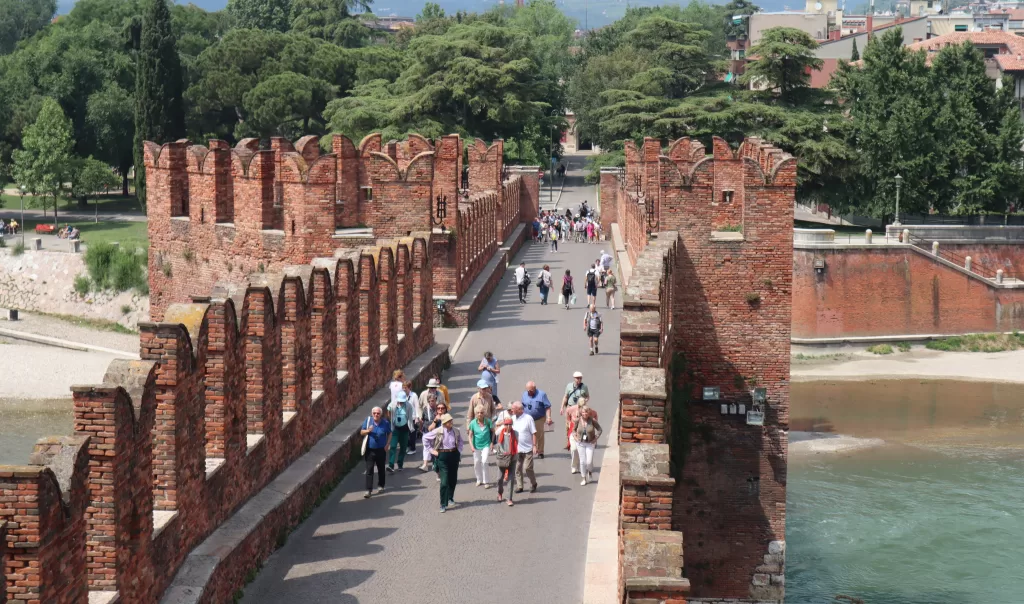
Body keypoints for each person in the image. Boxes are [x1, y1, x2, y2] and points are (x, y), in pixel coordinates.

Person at [424, 413, 463, 512]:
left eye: (451, 420)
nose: (451, 422)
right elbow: (425, 438)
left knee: (453, 479)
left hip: (454, 455)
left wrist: (459, 451)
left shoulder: (456, 430)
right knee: (444, 481)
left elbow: (460, 441)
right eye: (449, 421)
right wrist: (432, 451)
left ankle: (450, 498)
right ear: (444, 423)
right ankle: (443, 503)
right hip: (442, 456)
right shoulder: (438, 431)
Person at [359, 407, 391, 498]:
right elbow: (361, 432)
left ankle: (381, 485)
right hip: (370, 450)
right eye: (374, 413)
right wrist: (368, 431)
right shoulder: (368, 421)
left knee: (381, 469)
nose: (376, 415)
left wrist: (387, 444)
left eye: (377, 413)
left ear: (380, 414)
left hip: (381, 449)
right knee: (369, 470)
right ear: (372, 414)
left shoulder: (385, 423)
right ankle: (368, 490)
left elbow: (389, 433)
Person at [510, 402, 537, 493]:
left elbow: (534, 433)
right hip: (517, 449)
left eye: (513, 408)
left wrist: (534, 445)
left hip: (528, 448)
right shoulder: (512, 418)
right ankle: (520, 486)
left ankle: (533, 483)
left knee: (527, 468)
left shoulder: (528, 418)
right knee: (517, 468)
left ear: (520, 410)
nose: (511, 410)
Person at [520, 381, 553, 459]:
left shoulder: (542, 394)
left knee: (539, 435)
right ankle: (530, 450)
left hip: (539, 418)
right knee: (527, 435)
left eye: (531, 391)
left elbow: (547, 407)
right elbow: (523, 406)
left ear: (535, 388)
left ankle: (540, 451)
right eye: (528, 390)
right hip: (527, 418)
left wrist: (548, 417)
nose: (529, 392)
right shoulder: (524, 395)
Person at [386, 391, 416, 472]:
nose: (401, 402)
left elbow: (411, 416)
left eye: (402, 401)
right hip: (395, 429)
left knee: (403, 448)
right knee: (393, 446)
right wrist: (390, 419)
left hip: (405, 429)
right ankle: (391, 465)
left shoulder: (408, 405)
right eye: (400, 400)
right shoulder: (393, 404)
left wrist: (411, 426)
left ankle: (400, 464)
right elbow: (388, 410)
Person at [573, 406, 603, 485]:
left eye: (586, 412)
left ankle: (590, 472)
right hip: (580, 443)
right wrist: (575, 437)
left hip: (590, 443)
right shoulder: (578, 420)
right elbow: (573, 430)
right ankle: (584, 478)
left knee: (589, 461)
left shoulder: (592, 421)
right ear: (581, 413)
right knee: (582, 461)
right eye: (583, 412)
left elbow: (600, 430)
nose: (584, 414)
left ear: (589, 413)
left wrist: (595, 439)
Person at [567, 400, 599, 474]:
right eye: (580, 406)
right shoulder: (573, 409)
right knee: (574, 449)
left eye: (583, 406)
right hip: (575, 433)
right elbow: (567, 412)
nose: (581, 408)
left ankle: (588, 466)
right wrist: (568, 422)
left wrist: (595, 436)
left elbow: (595, 416)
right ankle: (574, 466)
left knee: (586, 455)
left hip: (586, 435)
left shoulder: (589, 411)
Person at [560, 371, 591, 449]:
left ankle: (580, 439)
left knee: (579, 424)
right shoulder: (569, 386)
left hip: (580, 408)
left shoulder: (584, 387)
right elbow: (566, 396)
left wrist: (584, 401)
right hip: (570, 407)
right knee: (568, 425)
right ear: (574, 378)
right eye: (577, 378)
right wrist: (562, 407)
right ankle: (569, 442)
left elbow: (588, 396)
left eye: (580, 378)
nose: (579, 380)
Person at [468, 405, 494, 487]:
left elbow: (493, 432)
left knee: (484, 461)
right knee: (476, 463)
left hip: (486, 444)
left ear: (484, 413)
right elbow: (470, 436)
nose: (480, 414)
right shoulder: (472, 423)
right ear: (475, 414)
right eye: (478, 413)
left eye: (481, 413)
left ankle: (486, 481)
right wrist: (471, 446)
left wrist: (492, 442)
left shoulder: (488, 421)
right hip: (476, 446)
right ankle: (479, 479)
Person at [494, 417, 518, 506]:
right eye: (506, 424)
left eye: (510, 424)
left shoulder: (515, 433)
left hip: (512, 458)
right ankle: (500, 493)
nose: (508, 426)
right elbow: (495, 440)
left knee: (511, 480)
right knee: (499, 478)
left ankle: (509, 498)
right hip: (502, 459)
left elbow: (518, 444)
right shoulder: (500, 433)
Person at [420, 400, 449, 472]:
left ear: (445, 409)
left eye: (442, 408)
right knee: (437, 463)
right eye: (438, 408)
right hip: (436, 443)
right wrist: (435, 420)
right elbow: (430, 429)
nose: (440, 410)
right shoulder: (435, 417)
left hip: (446, 444)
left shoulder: (448, 417)